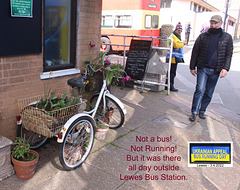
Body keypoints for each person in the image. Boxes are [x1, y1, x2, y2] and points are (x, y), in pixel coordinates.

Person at [189, 15, 233, 121]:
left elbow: (228, 54)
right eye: (212, 23)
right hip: (202, 68)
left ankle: (202, 110)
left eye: (215, 23)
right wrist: (192, 66)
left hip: (216, 70)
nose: (213, 25)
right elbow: (195, 51)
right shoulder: (203, 36)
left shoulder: (227, 37)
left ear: (221, 23)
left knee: (209, 92)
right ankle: (194, 112)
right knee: (199, 89)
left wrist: (225, 68)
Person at [166, 22, 186, 92]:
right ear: (175, 30)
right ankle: (170, 86)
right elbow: (176, 45)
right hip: (172, 57)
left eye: (181, 31)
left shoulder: (175, 36)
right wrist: (183, 43)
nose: (180, 32)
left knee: (171, 72)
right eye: (178, 30)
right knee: (172, 73)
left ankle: (168, 85)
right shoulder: (173, 36)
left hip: (174, 57)